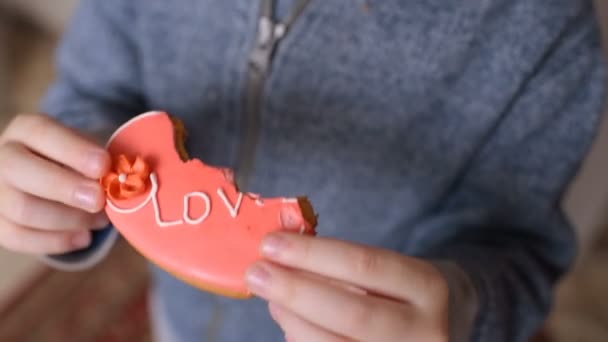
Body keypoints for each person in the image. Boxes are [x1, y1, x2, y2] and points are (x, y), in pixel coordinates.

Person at [0, 0, 605, 341]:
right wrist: (67, 175)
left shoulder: (543, 36)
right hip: (179, 315)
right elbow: (96, 87)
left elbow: (519, 250)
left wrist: (462, 303)